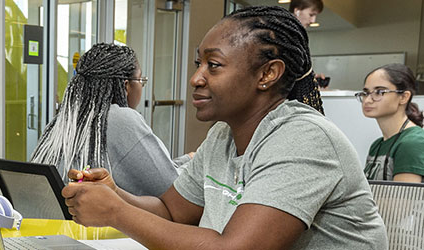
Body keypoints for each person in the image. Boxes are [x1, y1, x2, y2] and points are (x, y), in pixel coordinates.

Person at [62, 6, 387, 249]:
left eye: (213, 65)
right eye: (198, 64)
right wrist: (115, 194)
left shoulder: (304, 138)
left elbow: (234, 249)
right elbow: (172, 212)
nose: (196, 78)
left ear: (267, 74)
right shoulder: (223, 134)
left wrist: (117, 213)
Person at [30, 43, 179, 197]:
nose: (142, 86)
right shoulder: (122, 121)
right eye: (141, 81)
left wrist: (185, 160)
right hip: (90, 221)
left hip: (46, 219)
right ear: (126, 86)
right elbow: (172, 189)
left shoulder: (63, 121)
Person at [359, 63, 424, 183]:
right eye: (366, 92)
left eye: (379, 92)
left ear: (404, 97)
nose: (367, 100)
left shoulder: (412, 143)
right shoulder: (377, 145)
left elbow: (403, 200)